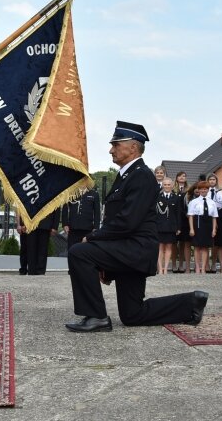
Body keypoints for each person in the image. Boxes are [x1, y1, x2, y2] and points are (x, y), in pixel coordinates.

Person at [65, 121, 208, 333]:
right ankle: (191, 303)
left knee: (79, 252)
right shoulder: (128, 175)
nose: (111, 149)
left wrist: (94, 238)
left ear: (133, 147)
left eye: (116, 144)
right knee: (133, 314)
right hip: (127, 250)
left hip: (135, 249)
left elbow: (127, 221)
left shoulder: (141, 175)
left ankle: (97, 317)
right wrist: (107, 262)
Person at [188, 181, 218, 274]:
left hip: (208, 225)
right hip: (197, 224)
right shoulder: (193, 202)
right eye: (201, 189)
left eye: (205, 189)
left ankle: (204, 268)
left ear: (208, 190)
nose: (203, 190)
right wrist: (192, 229)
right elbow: (191, 216)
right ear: (198, 190)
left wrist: (214, 229)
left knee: (205, 247)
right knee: (197, 247)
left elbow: (214, 217)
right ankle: (197, 267)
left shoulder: (212, 202)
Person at [155, 177, 182, 274]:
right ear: (162, 185)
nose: (167, 186)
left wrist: (178, 227)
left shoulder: (176, 198)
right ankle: (160, 269)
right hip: (159, 226)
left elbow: (179, 213)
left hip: (171, 226)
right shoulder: (157, 197)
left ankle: (166, 269)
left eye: (168, 185)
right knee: (160, 248)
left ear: (172, 186)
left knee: (169, 247)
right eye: (165, 184)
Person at [61, 185, 101, 250]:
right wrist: (64, 224)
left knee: (86, 252)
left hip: (88, 229)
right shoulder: (71, 193)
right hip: (73, 228)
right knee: (72, 250)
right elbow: (65, 209)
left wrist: (96, 227)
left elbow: (97, 212)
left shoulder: (94, 194)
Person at [24, 209, 59, 275]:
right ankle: (31, 271)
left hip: (46, 223)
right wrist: (23, 223)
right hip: (31, 223)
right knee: (31, 249)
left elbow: (56, 206)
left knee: (43, 250)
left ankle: (41, 271)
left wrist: (55, 226)